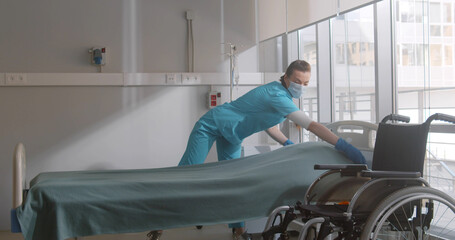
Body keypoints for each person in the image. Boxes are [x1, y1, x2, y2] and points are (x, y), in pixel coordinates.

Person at [148, 60, 365, 240]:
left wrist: (287, 143)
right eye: (297, 81)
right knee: (187, 173)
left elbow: (269, 124)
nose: (301, 86)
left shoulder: (282, 96)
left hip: (233, 136)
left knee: (233, 183)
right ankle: (157, 221)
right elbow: (313, 126)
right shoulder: (276, 95)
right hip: (212, 125)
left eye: (306, 83)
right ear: (287, 77)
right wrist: (343, 145)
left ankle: (238, 230)